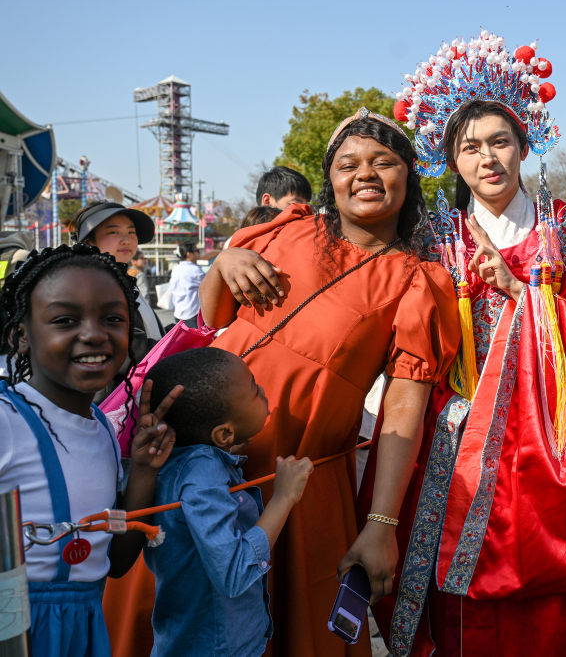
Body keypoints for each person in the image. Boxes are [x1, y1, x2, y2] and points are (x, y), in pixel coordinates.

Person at [103, 108, 461, 657]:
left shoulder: (418, 281)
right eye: (348, 164)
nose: (364, 174)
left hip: (295, 483)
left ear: (408, 176)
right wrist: (225, 262)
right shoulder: (284, 229)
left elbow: (404, 413)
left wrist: (382, 523)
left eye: (383, 162)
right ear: (330, 179)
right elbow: (214, 316)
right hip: (187, 459)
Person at [360, 34, 566, 657]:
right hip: (448, 445)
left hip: (540, 445)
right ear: (450, 160)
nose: (488, 158)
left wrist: (519, 292)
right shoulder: (430, 237)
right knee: (446, 598)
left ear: (524, 145)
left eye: (500, 141)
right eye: (469, 146)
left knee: (538, 594)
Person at [0, 245, 177, 657]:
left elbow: (115, 562)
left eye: (113, 318)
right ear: (21, 335)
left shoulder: (101, 431)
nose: (95, 333)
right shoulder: (7, 420)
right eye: (65, 320)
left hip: (85, 629)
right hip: (15, 633)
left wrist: (144, 473)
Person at [143, 348, 314, 657]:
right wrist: (285, 496)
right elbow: (233, 572)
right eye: (253, 389)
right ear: (223, 433)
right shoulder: (202, 476)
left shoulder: (186, 461)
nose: (262, 390)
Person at [69, 201, 163, 394]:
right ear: (88, 242)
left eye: (131, 232)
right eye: (114, 232)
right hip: (109, 402)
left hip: (135, 395)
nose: (126, 240)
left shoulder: (124, 280)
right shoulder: (91, 285)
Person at [168, 242, 204, 328]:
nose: (199, 252)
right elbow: (210, 284)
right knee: (197, 340)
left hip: (178, 313)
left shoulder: (176, 268)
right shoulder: (195, 269)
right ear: (189, 254)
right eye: (197, 250)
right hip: (192, 314)